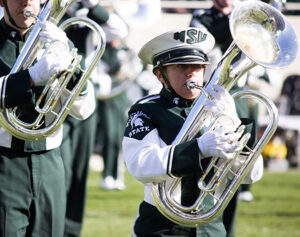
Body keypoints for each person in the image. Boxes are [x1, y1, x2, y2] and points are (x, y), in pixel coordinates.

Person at [122, 27, 264, 237]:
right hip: (162, 226)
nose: (191, 73)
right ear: (160, 75)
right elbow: (140, 165)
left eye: (197, 66)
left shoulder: (218, 109)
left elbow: (251, 175)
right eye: (181, 66)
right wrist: (198, 148)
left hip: (211, 226)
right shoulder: (147, 110)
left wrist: (234, 122)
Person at [0, 0, 96, 236]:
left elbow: (84, 109)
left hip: (51, 161)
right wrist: (32, 75)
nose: (28, 3)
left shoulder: (55, 41)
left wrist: (71, 66)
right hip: (4, 161)